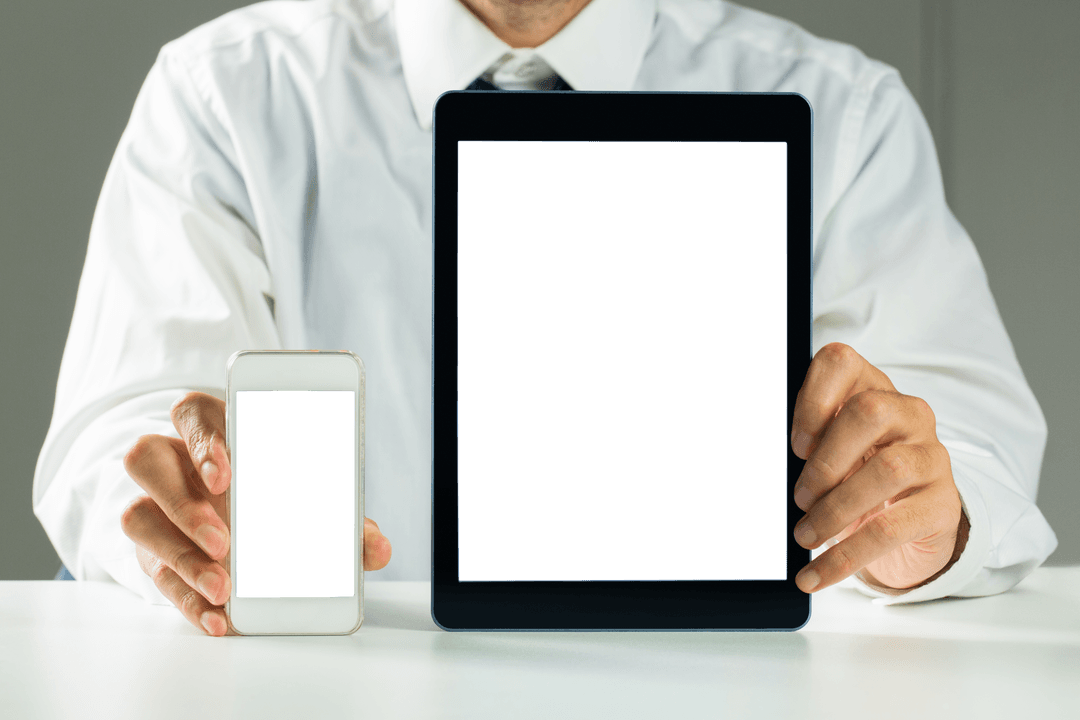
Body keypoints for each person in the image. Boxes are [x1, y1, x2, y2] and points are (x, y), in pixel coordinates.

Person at [33, 0, 1057, 637]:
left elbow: (974, 450)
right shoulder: (223, 96)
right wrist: (182, 523)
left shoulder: (839, 110)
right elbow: (115, 431)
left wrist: (927, 523)